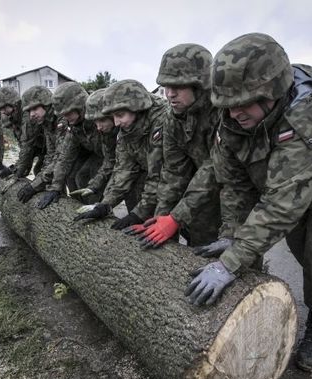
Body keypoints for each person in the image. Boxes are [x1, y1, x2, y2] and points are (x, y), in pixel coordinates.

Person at [184, 33, 312, 373]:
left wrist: (229, 264)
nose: (234, 112)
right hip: (297, 181)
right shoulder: (232, 118)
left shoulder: (309, 121)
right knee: (295, 242)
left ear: (272, 91)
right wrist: (232, 235)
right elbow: (235, 184)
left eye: (244, 102)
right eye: (229, 104)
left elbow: (282, 205)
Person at [124, 43, 221, 248]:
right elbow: (173, 173)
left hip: (235, 194)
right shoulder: (172, 118)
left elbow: (215, 166)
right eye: (166, 86)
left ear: (200, 84)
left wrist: (176, 217)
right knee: (197, 243)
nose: (169, 94)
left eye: (177, 86)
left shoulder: (223, 111)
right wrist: (159, 218)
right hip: (201, 192)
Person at [73, 79, 168, 229]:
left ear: (137, 108)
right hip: (161, 181)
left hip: (179, 184)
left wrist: (139, 212)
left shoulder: (163, 121)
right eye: (113, 117)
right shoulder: (127, 130)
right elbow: (123, 169)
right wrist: (105, 204)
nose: (116, 123)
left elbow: (159, 173)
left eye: (120, 115)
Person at [18, 82, 116, 209]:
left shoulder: (99, 118)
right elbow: (64, 157)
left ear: (80, 107)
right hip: (102, 155)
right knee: (75, 176)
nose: (65, 118)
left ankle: (98, 212)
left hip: (113, 158)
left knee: (87, 178)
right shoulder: (73, 125)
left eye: (68, 113)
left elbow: (112, 158)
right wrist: (55, 188)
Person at [15, 85, 69, 207]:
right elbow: (51, 154)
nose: (31, 115)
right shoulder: (46, 122)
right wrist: (38, 181)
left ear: (46, 104)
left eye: (34, 109)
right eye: (29, 111)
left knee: (77, 178)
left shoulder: (62, 119)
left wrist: (34, 186)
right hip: (66, 158)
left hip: (77, 156)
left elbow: (61, 156)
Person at [69, 87, 119, 204]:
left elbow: (120, 167)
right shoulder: (107, 132)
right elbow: (110, 159)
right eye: (95, 122)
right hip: (104, 157)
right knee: (81, 177)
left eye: (101, 121)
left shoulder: (122, 129)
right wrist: (94, 185)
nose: (98, 127)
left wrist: (106, 203)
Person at [0, 86, 40, 178]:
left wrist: (15, 171)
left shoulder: (26, 115)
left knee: (41, 170)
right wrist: (16, 170)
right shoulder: (15, 118)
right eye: (0, 109)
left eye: (3, 108)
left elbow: (27, 148)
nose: (2, 112)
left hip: (48, 149)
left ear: (12, 103)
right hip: (39, 148)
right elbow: (25, 151)